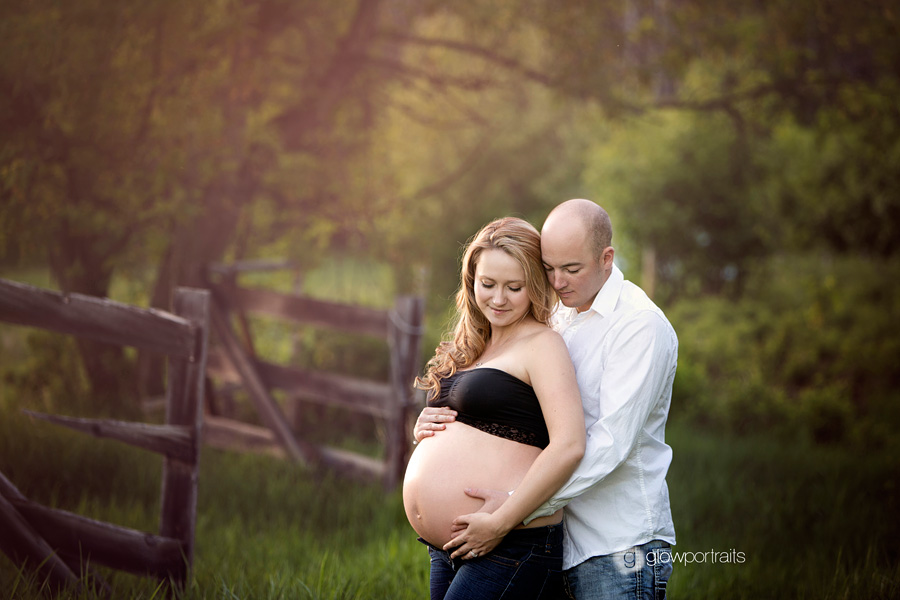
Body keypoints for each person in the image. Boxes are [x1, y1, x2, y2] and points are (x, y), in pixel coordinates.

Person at [415, 200, 678, 600]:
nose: (557, 281)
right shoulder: (558, 315)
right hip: (555, 532)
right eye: (549, 268)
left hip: (617, 543)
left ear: (607, 258)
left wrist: (513, 511)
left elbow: (609, 444)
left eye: (571, 269)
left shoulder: (640, 326)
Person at [403, 216, 586, 600]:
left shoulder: (542, 344)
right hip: (450, 546)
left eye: (514, 287)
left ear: (534, 287)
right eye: (487, 284)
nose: (498, 299)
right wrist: (422, 428)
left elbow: (569, 444)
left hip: (510, 541)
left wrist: (500, 523)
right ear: (472, 282)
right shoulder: (471, 344)